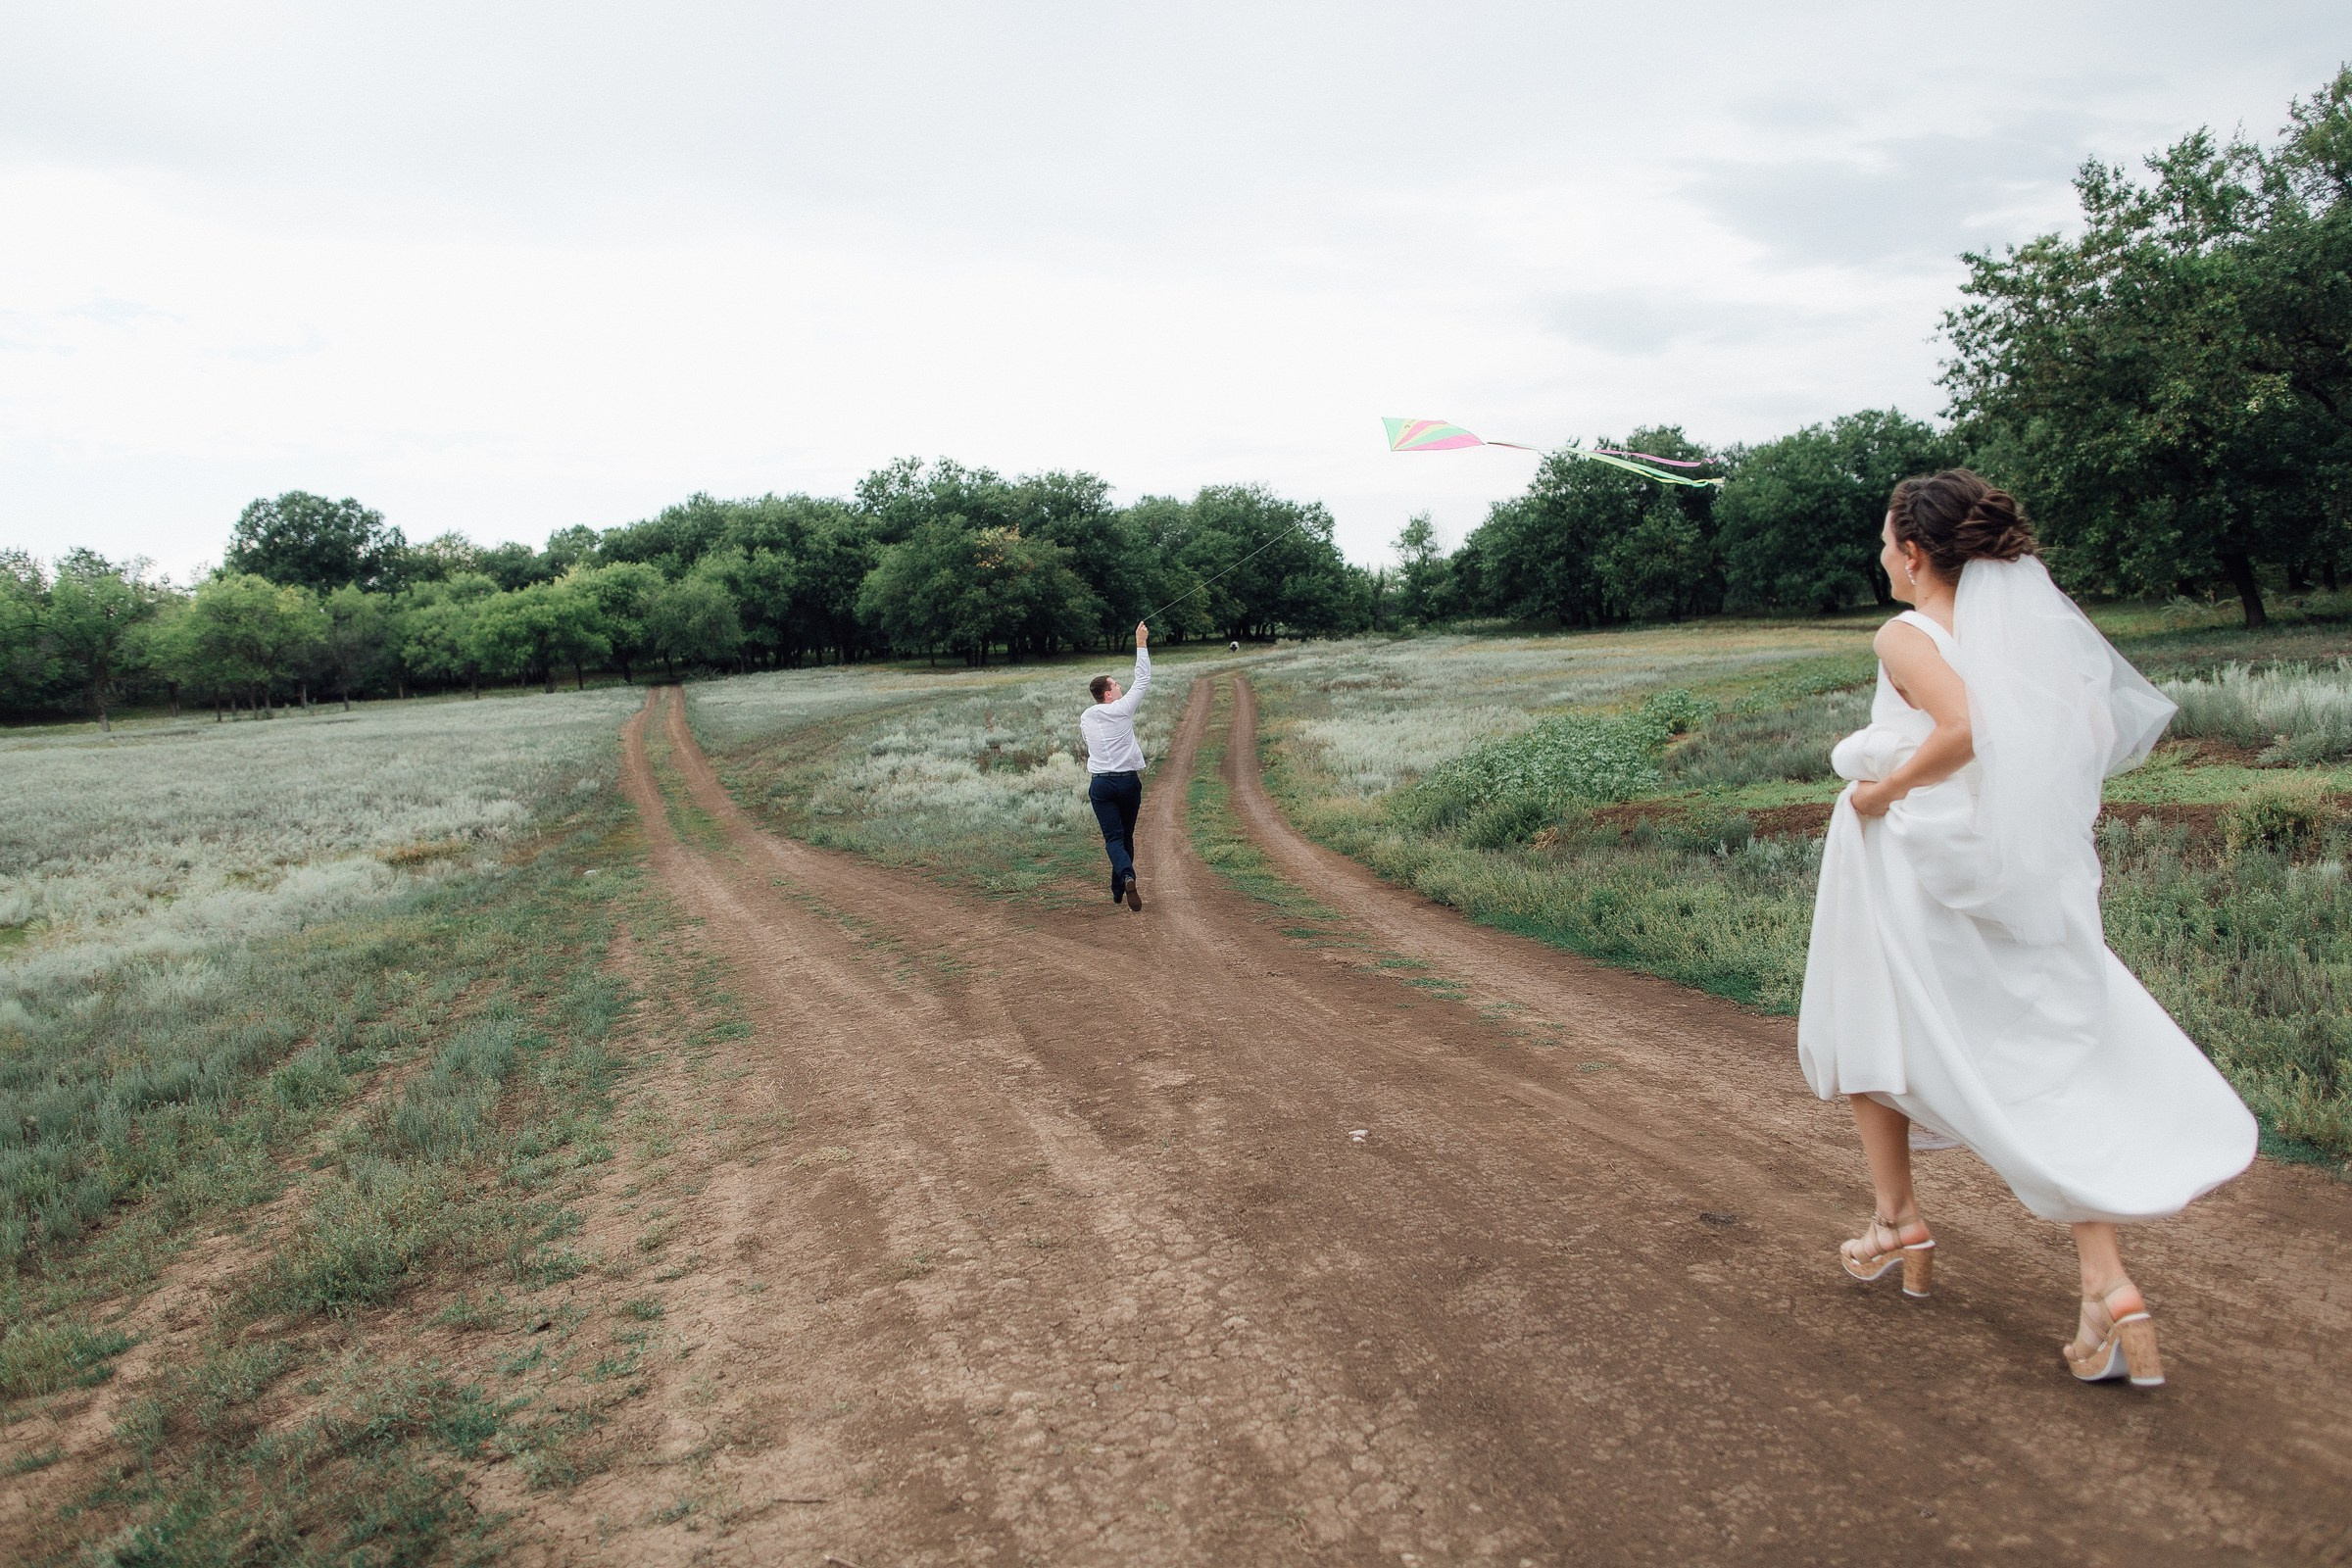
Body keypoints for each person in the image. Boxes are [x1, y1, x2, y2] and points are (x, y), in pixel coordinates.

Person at [1797, 470, 2255, 1388]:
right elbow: (2082, 725)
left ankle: (1900, 1222)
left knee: (1869, 1021)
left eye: (1885, 542)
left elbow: (1962, 727)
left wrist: (1885, 790)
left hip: (1912, 864)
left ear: (1914, 553)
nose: (1880, 557)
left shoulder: (1905, 633)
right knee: (2039, 1064)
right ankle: (2102, 1283)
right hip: (2008, 868)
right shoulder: (2026, 639)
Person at [1082, 621, 1152, 911]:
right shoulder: (1122, 709)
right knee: (1125, 836)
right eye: (1116, 684)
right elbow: (1143, 678)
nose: (1120, 686)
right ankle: (1124, 880)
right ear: (1108, 694)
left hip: (1101, 784)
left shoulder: (1086, 716)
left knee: (1113, 838)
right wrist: (1141, 643)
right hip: (1127, 782)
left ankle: (1122, 882)